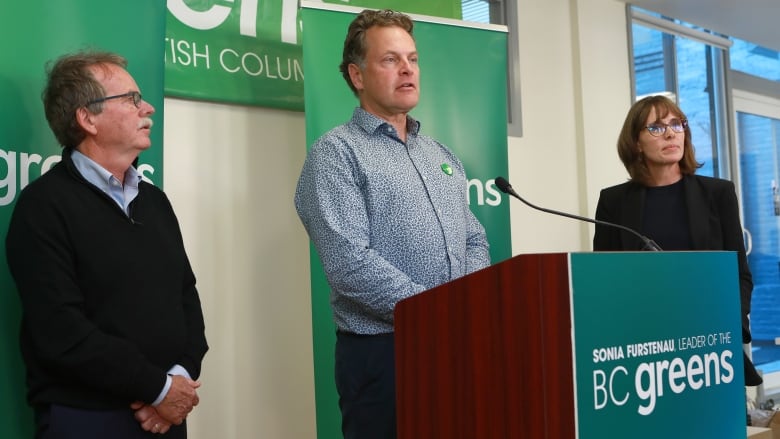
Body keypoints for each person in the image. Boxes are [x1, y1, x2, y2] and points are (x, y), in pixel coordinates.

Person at [294, 9, 491, 439]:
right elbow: (349, 263)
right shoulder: (335, 154)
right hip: (385, 355)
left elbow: (474, 239)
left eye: (413, 59)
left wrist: (462, 310)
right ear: (357, 75)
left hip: (456, 342)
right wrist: (434, 314)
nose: (407, 69)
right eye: (390, 60)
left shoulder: (440, 154)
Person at [5, 51, 208, 438]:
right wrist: (158, 389)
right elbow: (61, 332)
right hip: (87, 418)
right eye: (131, 99)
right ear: (87, 118)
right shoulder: (43, 207)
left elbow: (186, 298)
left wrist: (179, 380)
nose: (147, 107)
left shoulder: (155, 202)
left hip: (165, 419)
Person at [593, 94, 762, 387]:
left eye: (677, 124)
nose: (671, 133)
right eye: (657, 128)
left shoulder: (717, 193)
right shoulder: (614, 201)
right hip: (642, 348)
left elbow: (740, 275)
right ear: (636, 143)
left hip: (709, 348)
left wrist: (726, 329)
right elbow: (604, 280)